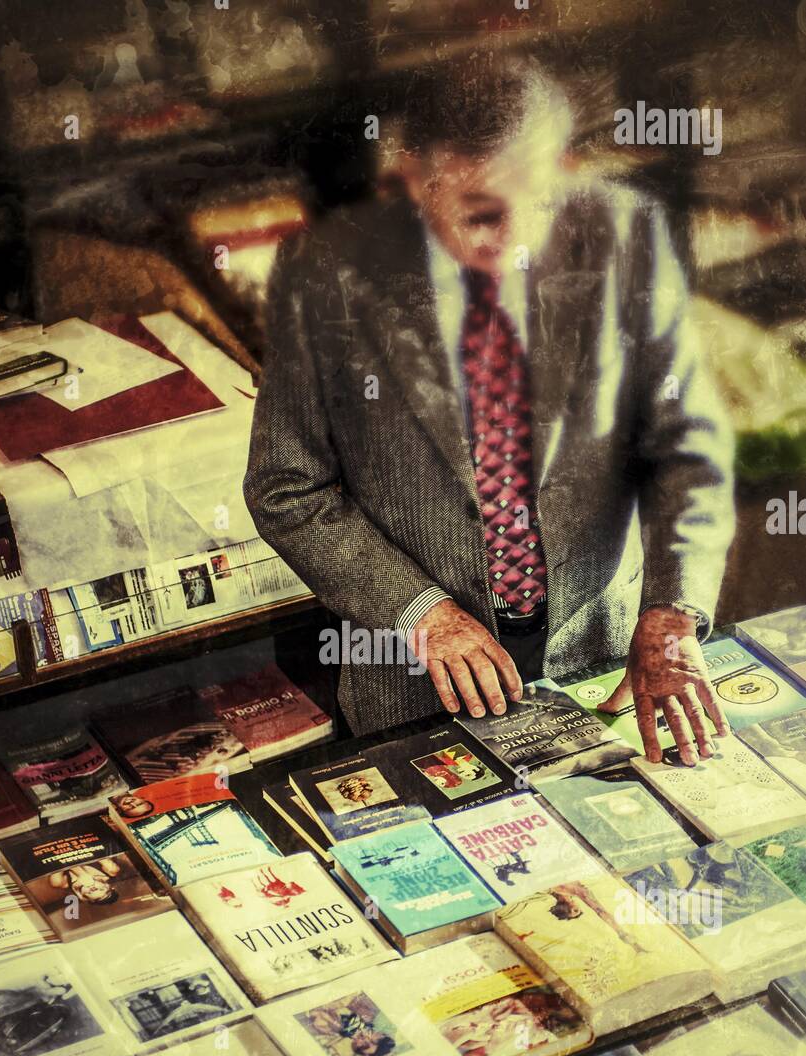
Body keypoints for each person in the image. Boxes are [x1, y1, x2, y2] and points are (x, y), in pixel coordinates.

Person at [245, 50, 735, 765]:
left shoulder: (624, 235)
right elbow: (286, 486)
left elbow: (685, 445)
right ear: (414, 179)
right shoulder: (323, 274)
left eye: (536, 204)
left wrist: (668, 616)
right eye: (480, 215)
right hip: (415, 681)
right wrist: (420, 615)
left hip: (596, 654)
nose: (513, 245)